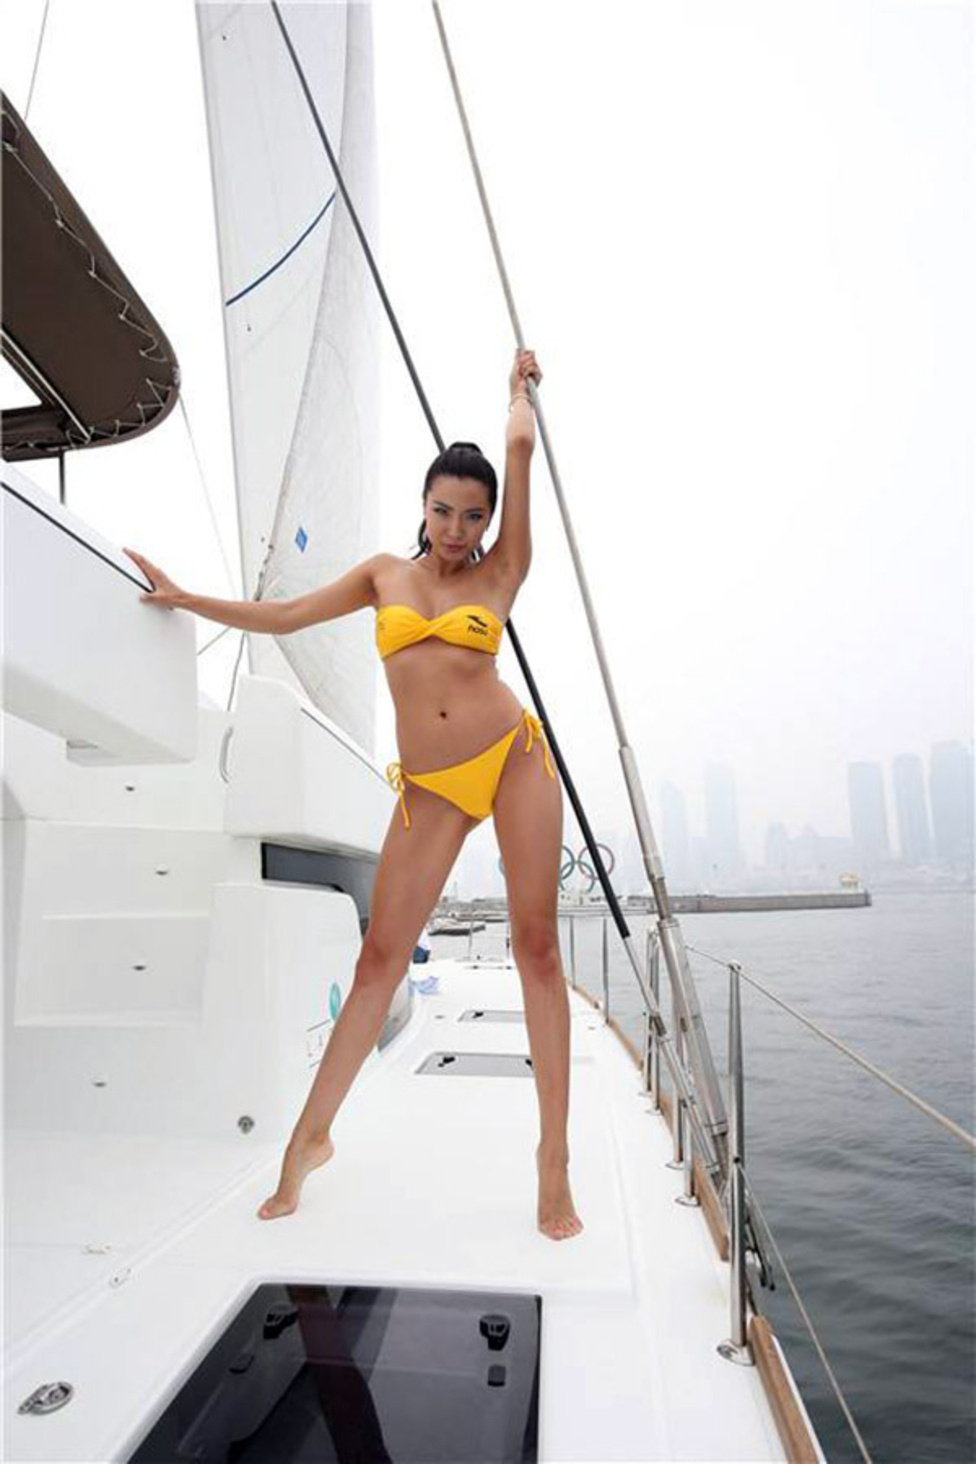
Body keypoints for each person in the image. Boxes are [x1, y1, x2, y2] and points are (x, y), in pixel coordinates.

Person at [124, 348, 583, 1241]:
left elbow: (520, 449)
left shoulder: (502, 573)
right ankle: (309, 1140)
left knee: (538, 949)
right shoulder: (383, 577)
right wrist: (187, 599)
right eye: (443, 510)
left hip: (513, 759)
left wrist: (518, 394)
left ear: (489, 521)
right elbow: (285, 616)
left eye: (473, 516)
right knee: (378, 960)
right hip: (432, 787)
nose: (456, 528)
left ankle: (553, 1162)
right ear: (424, 504)